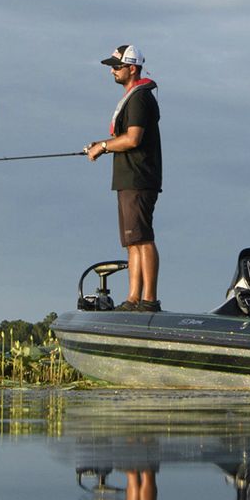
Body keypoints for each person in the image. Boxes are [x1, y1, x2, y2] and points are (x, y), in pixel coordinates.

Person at [85, 45, 162, 312]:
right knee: (132, 241)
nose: (112, 72)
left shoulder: (140, 98)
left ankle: (149, 300)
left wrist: (103, 147)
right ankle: (133, 299)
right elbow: (123, 139)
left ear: (132, 68)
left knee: (143, 238)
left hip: (139, 178)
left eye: (117, 67)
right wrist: (101, 143)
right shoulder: (132, 97)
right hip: (128, 179)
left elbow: (133, 139)